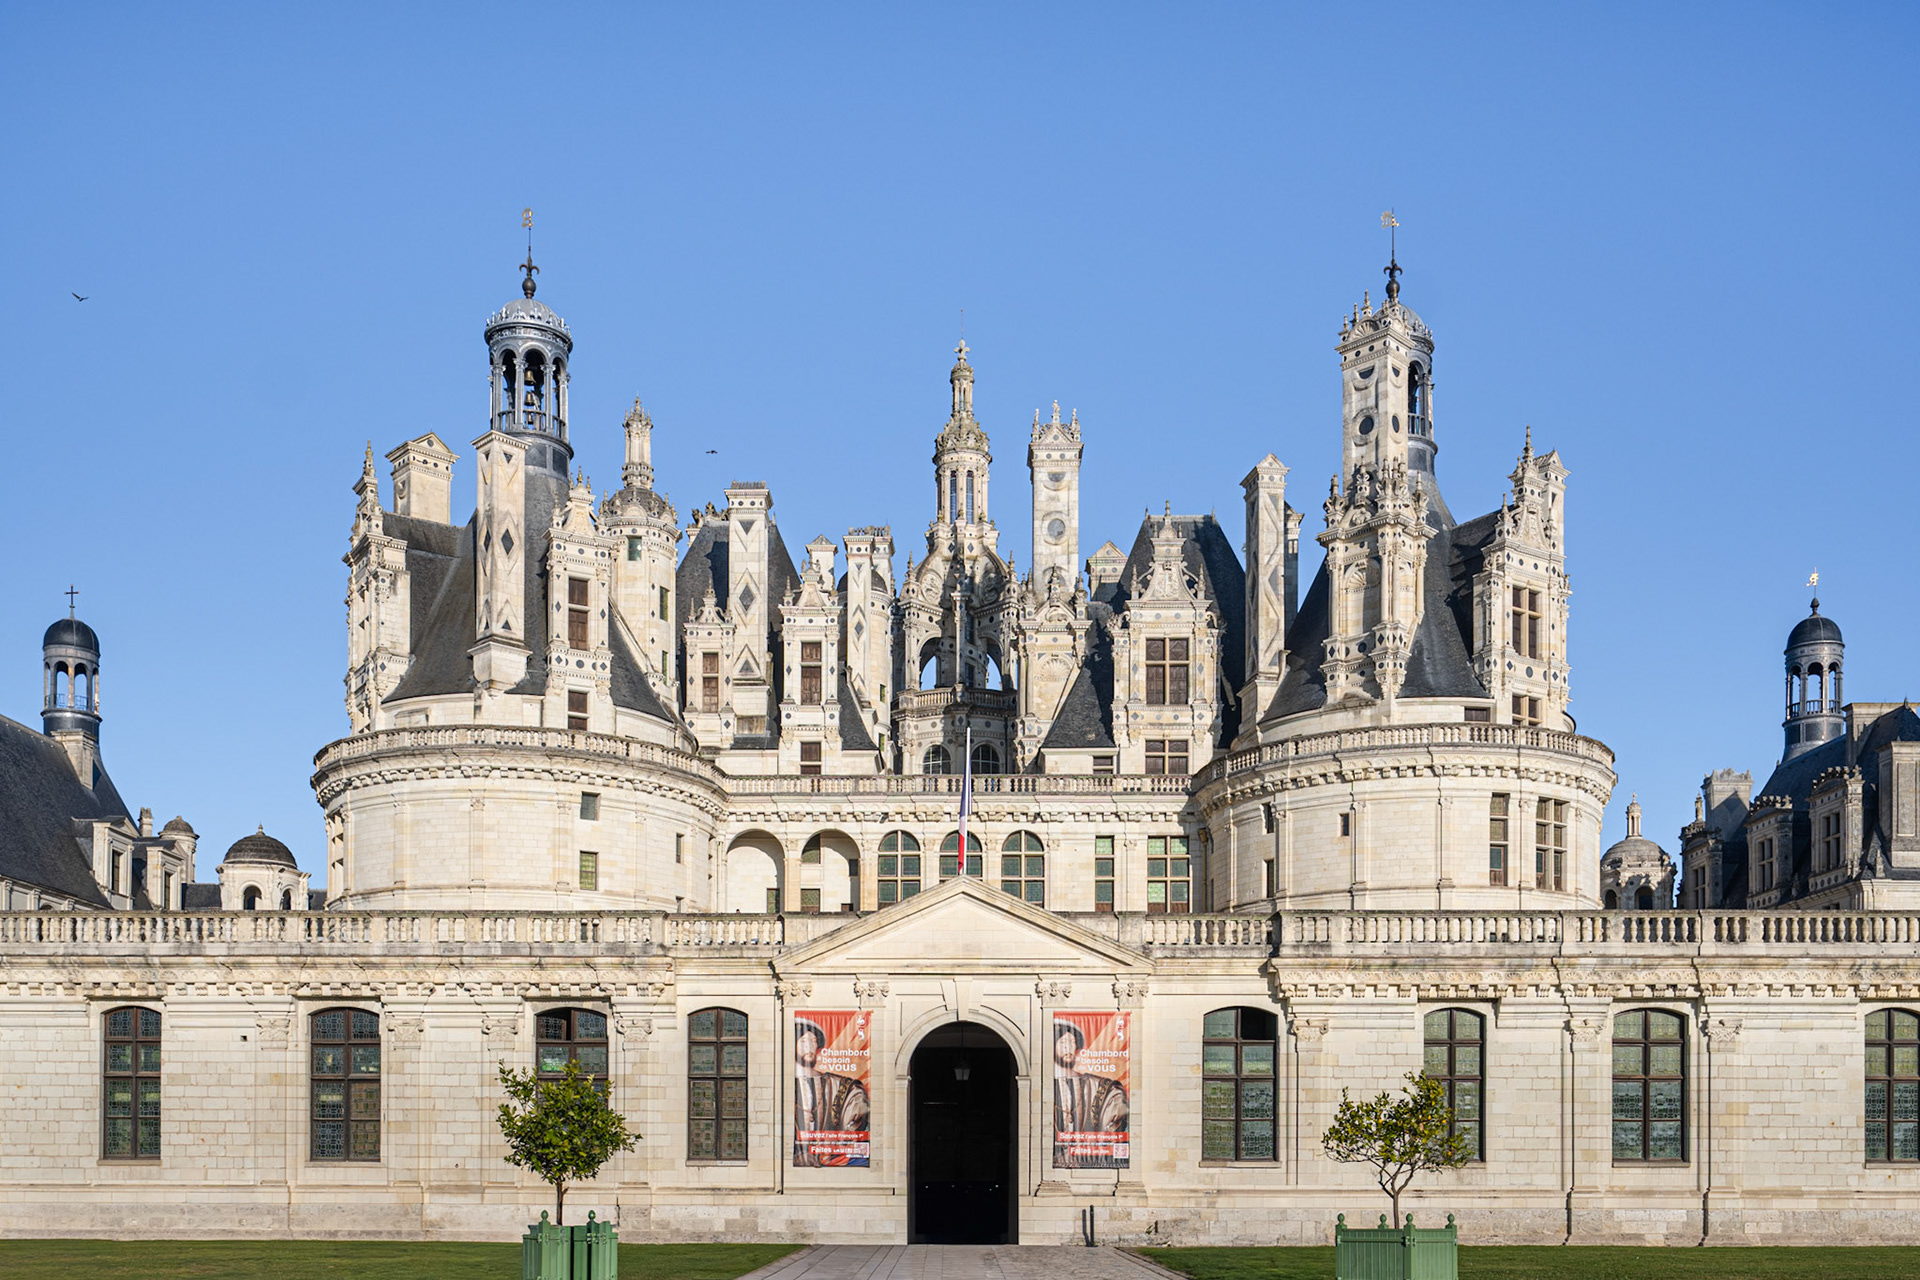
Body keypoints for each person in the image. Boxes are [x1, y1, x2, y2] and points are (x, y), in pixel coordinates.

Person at [1052, 1019, 1129, 1168]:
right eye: (1062, 1042)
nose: (1069, 1047)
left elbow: (1116, 1114)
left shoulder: (1097, 1085)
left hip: (1088, 1157)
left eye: (1072, 1042)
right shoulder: (1048, 1083)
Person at [794, 1018, 870, 1166]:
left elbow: (857, 1114)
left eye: (813, 1041)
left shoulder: (840, 1084)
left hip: (831, 1156)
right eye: (803, 1042)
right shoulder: (787, 1081)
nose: (809, 1046)